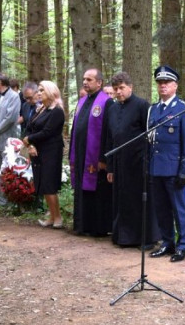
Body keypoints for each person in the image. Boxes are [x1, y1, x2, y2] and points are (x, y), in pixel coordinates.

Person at [104, 72, 159, 248]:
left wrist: (148, 161)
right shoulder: (111, 108)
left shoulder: (142, 105)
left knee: (140, 200)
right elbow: (109, 138)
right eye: (115, 89)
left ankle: (145, 238)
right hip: (119, 162)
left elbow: (150, 135)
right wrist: (110, 167)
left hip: (138, 161)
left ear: (130, 87)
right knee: (122, 199)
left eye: (121, 88)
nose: (119, 92)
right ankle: (124, 236)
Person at [147, 65, 185, 262]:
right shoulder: (153, 109)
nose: (163, 86)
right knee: (161, 209)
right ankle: (167, 242)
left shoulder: (184, 110)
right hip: (156, 167)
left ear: (175, 85)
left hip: (174, 169)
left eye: (167, 82)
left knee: (179, 209)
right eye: (160, 82)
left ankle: (183, 245)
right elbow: (151, 140)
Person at [70, 68, 113, 237]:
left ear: (99, 82)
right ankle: (82, 225)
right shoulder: (82, 101)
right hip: (80, 154)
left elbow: (107, 133)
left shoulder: (106, 102)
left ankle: (97, 228)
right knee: (81, 189)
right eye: (84, 79)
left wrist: (104, 157)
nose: (85, 82)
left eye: (89, 79)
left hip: (95, 157)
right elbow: (76, 128)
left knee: (96, 191)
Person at [23, 80, 66, 228]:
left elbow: (48, 132)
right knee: (42, 184)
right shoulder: (41, 109)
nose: (39, 93)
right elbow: (29, 127)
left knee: (49, 184)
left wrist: (29, 139)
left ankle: (58, 217)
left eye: (42, 90)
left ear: (50, 92)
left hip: (51, 151)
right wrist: (31, 144)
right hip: (37, 151)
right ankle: (51, 216)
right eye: (38, 90)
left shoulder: (57, 111)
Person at [0, 73, 21, 197]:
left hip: (6, 139)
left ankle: (9, 198)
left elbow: (10, 118)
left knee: (7, 170)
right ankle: (1, 197)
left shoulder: (14, 96)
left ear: (0, 83)